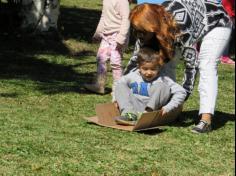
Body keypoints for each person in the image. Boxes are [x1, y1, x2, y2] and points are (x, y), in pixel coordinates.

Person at [124, 2, 232, 133]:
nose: (139, 36)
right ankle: (168, 112)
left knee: (206, 64)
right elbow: (137, 58)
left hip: (217, 22)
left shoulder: (180, 25)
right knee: (166, 63)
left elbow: (191, 65)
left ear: (152, 26)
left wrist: (179, 100)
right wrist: (122, 89)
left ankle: (206, 119)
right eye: (137, 31)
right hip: (184, 27)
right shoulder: (145, 30)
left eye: (142, 32)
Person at [115, 47, 186, 126]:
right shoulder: (133, 76)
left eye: (153, 69)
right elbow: (119, 84)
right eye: (145, 69)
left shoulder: (163, 79)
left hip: (152, 111)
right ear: (139, 67)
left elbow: (181, 92)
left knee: (162, 86)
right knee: (120, 85)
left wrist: (169, 107)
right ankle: (129, 115)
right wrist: (116, 99)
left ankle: (146, 115)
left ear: (159, 67)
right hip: (135, 108)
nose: (148, 72)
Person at [84, 0, 131, 97]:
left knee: (115, 62)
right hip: (106, 35)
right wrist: (98, 33)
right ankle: (99, 85)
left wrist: (121, 38)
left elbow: (126, 19)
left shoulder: (123, 2)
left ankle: (118, 89)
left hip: (117, 36)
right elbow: (103, 16)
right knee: (100, 58)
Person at [220, 0, 235, 65]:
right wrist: (230, 15)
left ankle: (227, 54)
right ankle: (224, 57)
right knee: (228, 34)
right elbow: (226, 4)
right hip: (227, 13)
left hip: (231, 12)